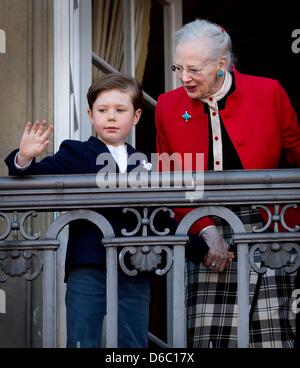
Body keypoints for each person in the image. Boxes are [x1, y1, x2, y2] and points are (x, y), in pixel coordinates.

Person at [155, 18, 300, 348]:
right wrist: (205, 229)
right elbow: (170, 178)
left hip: (269, 222)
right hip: (203, 221)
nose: (184, 78)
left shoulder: (268, 92)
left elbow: (296, 152)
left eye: (194, 69)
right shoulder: (167, 105)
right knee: (210, 337)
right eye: (179, 68)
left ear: (222, 64)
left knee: (273, 334)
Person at [5, 73, 152, 348]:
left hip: (135, 264)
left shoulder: (145, 162)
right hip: (88, 264)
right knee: (83, 339)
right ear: (90, 114)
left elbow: (161, 217)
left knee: (133, 341)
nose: (111, 117)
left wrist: (201, 245)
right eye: (102, 110)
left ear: (136, 116)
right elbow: (36, 176)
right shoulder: (75, 152)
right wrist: (24, 157)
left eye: (120, 110)